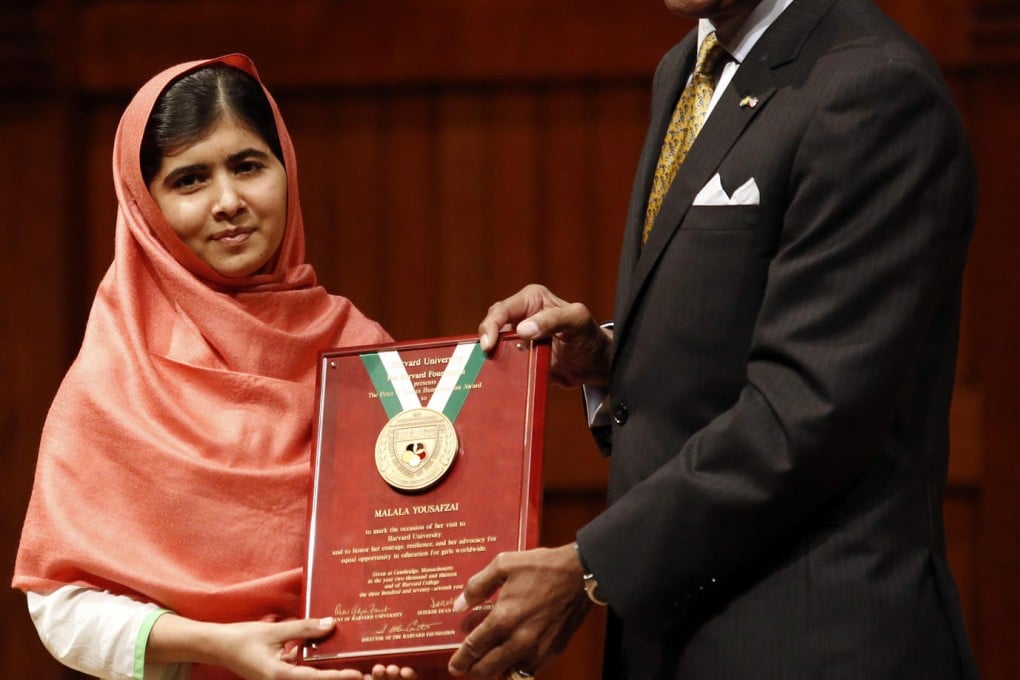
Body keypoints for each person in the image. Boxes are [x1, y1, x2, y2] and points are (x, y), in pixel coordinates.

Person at [447, 0, 980, 678]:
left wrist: (592, 565)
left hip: (813, 641)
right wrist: (609, 361)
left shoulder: (874, 85)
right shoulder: (689, 64)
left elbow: (811, 408)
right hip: (681, 637)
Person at [12, 54, 415, 680]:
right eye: (190, 180)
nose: (228, 201)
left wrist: (397, 642)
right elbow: (60, 605)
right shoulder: (114, 376)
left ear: (286, 170)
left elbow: (421, 544)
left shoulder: (363, 350)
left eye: (248, 166)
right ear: (145, 206)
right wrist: (218, 644)